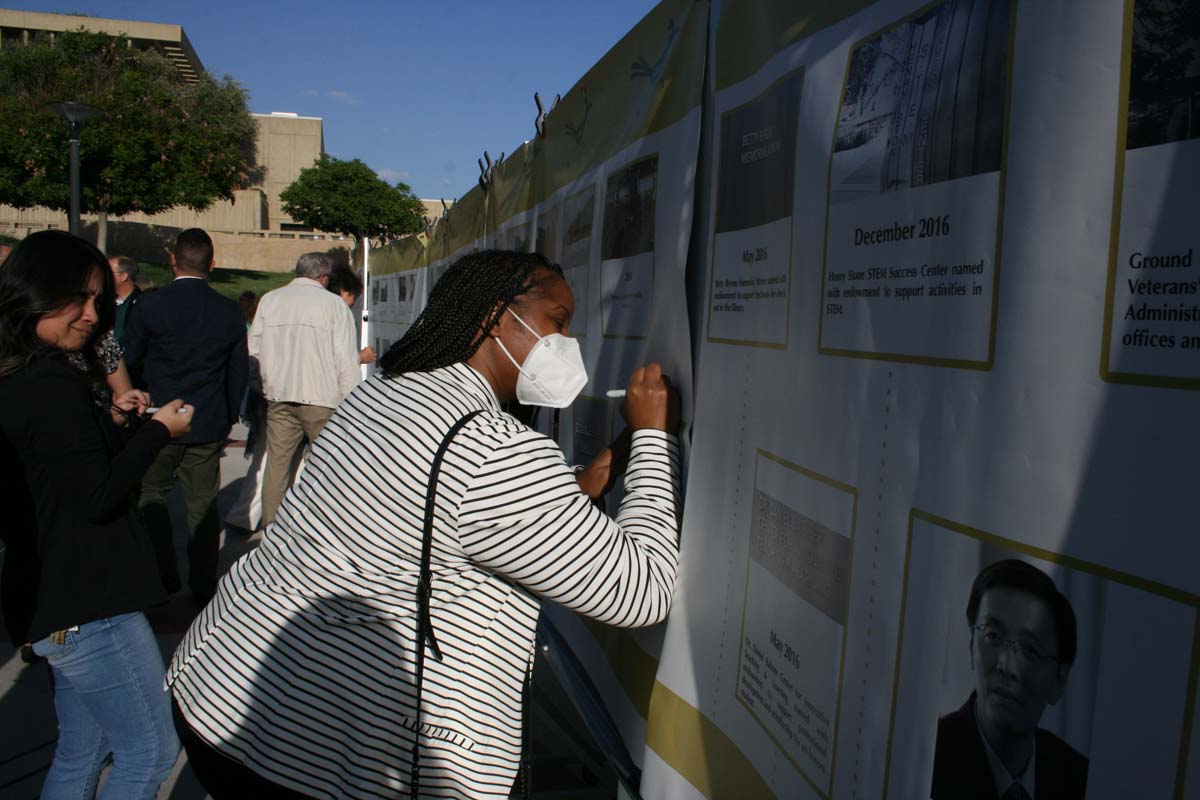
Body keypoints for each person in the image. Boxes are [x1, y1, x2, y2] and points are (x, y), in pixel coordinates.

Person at [167, 250, 681, 798]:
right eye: (557, 322)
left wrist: (579, 486)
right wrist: (652, 436)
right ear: (493, 317)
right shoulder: (491, 447)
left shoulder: (383, 392)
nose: (567, 345)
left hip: (223, 696)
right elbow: (641, 590)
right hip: (313, 755)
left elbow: (438, 513)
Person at [0, 230, 194, 799]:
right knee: (150, 751)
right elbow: (98, 497)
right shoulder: (49, 383)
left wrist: (112, 423)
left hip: (55, 599)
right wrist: (158, 430)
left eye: (97, 301)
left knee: (83, 747)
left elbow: (60, 474)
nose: (90, 315)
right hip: (90, 600)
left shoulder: (24, 376)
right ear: (33, 292)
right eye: (76, 299)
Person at [123, 228, 248, 605]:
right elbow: (237, 371)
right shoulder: (228, 310)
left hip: (158, 416)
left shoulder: (149, 305)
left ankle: (163, 574)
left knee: (152, 496)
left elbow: (131, 360)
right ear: (212, 264)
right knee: (202, 503)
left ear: (173, 261)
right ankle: (203, 582)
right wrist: (227, 415)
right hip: (207, 418)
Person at [931, 559, 1089, 800]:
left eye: (1030, 649)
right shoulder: (931, 757)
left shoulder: (1079, 778)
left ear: (1059, 681)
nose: (1006, 666)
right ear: (972, 644)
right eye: (993, 635)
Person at [248, 252, 360, 529]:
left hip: (279, 395)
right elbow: (345, 359)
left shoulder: (270, 300)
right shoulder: (334, 305)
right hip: (321, 399)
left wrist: (262, 387)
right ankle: (322, 526)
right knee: (327, 467)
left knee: (276, 467)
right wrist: (352, 404)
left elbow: (254, 351)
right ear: (323, 277)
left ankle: (271, 530)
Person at [327, 264, 377, 365]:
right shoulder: (336, 316)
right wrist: (360, 357)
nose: (353, 304)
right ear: (343, 291)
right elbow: (336, 360)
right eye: (354, 297)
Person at [109, 255, 141, 343]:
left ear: (123, 276)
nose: (104, 276)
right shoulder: (102, 301)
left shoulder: (142, 303)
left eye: (109, 272)